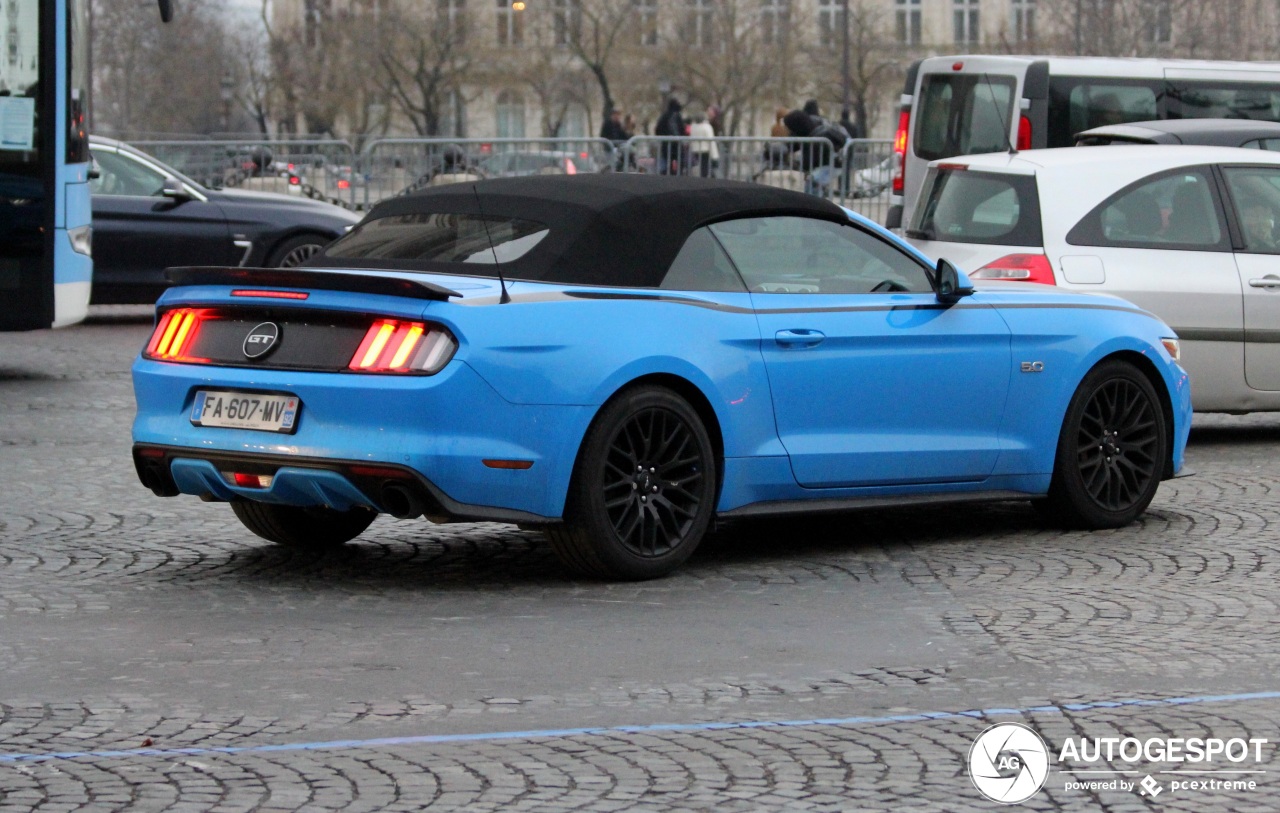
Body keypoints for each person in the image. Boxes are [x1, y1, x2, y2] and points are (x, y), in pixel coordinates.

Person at [654, 97, 685, 175]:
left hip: (666, 145)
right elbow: (681, 129)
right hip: (677, 145)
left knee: (667, 164)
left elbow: (657, 129)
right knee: (680, 164)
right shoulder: (677, 116)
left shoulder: (664, 116)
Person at [688, 111, 718, 178]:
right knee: (707, 169)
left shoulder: (693, 127)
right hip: (705, 150)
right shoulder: (707, 127)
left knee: (700, 168)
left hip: (695, 150)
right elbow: (711, 142)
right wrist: (715, 156)